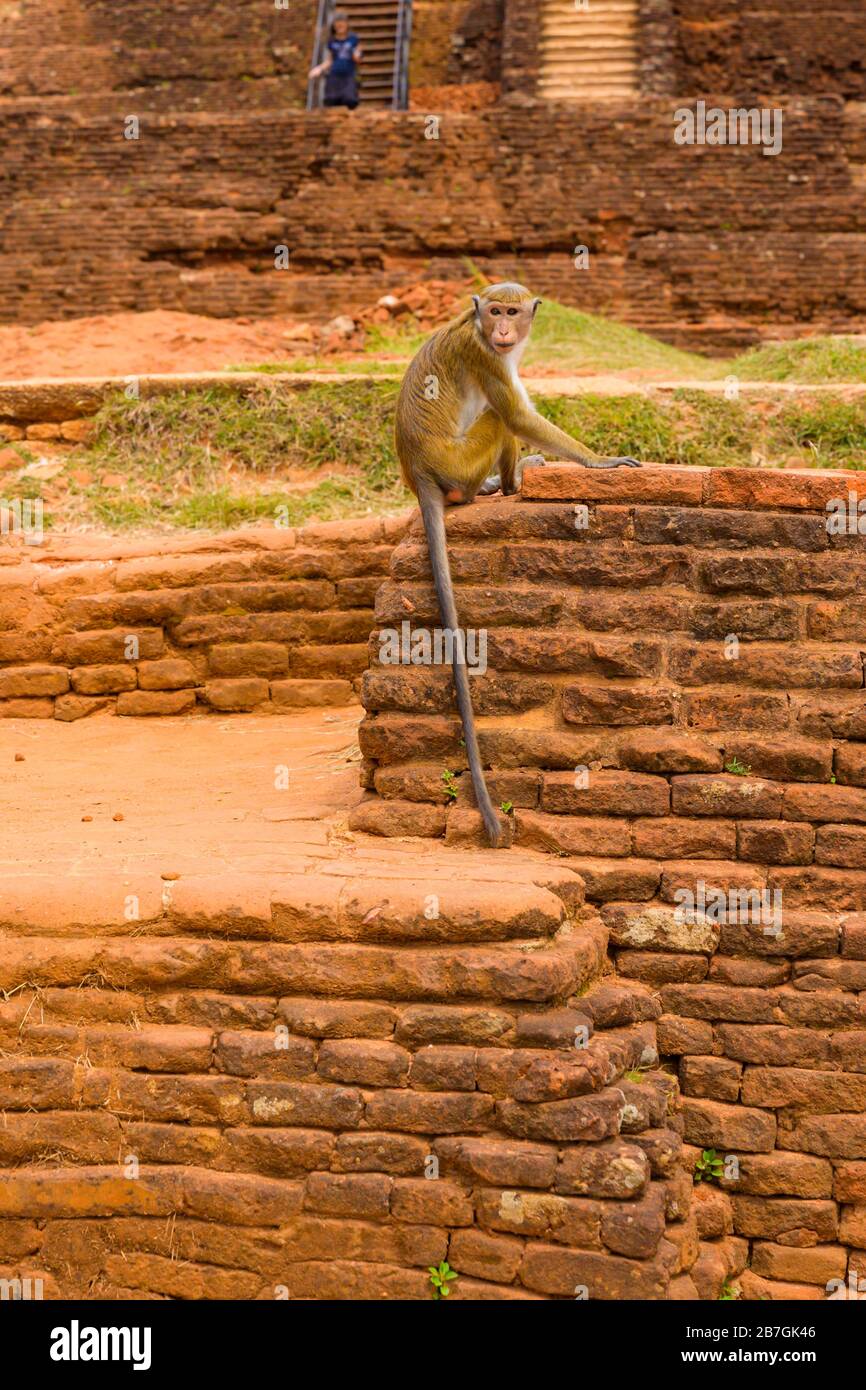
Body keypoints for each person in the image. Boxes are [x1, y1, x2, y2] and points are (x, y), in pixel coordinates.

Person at [309, 10, 363, 111]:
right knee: (331, 100)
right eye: (337, 25)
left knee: (350, 100)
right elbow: (330, 60)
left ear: (347, 25)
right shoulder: (331, 41)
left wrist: (357, 54)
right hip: (334, 75)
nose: (340, 27)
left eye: (342, 24)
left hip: (349, 75)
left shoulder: (353, 39)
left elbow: (359, 58)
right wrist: (319, 69)